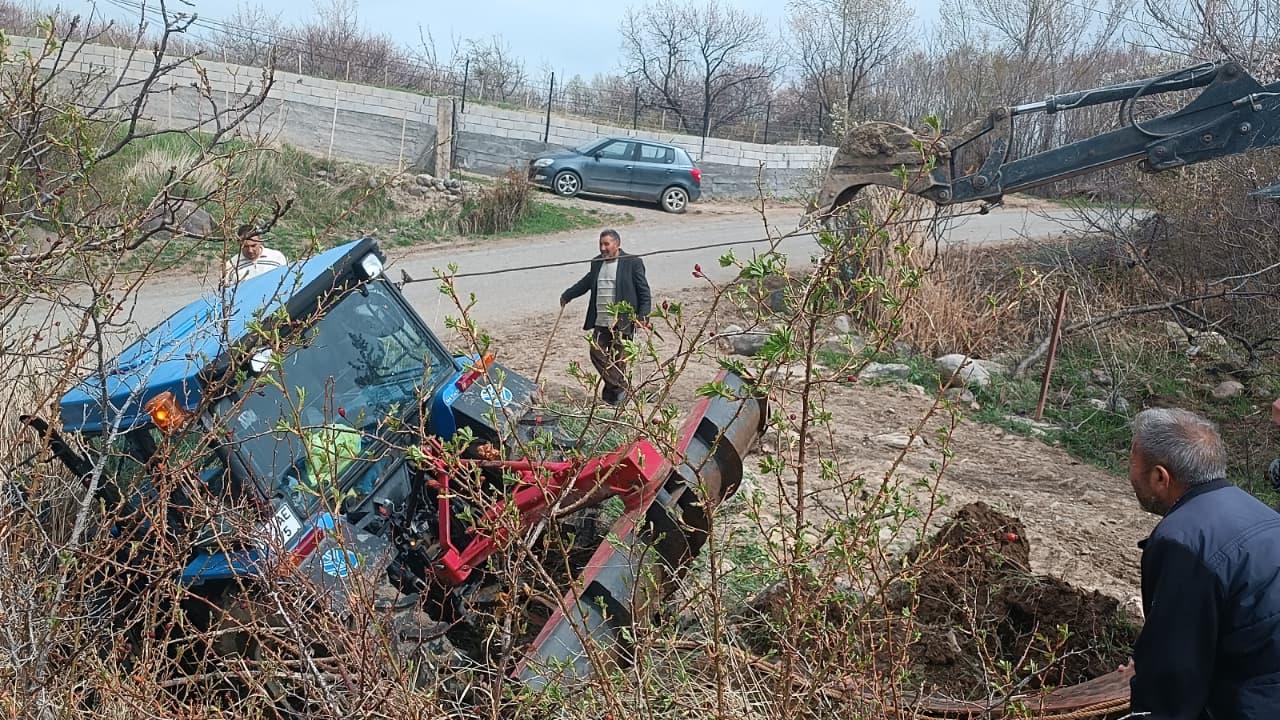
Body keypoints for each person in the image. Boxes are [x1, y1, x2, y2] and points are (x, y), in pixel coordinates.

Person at [1126, 407, 1280, 719]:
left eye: (1132, 462)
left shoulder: (1183, 542)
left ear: (1160, 477)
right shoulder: (1261, 513)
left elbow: (1173, 678)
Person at [559, 228, 651, 405]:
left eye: (606, 244)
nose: (603, 248)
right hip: (601, 321)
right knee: (596, 353)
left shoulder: (632, 262)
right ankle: (623, 388)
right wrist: (568, 295)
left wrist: (643, 316)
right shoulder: (596, 263)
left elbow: (644, 292)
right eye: (601, 244)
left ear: (617, 244)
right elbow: (586, 283)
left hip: (623, 322)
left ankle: (613, 399)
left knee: (618, 360)